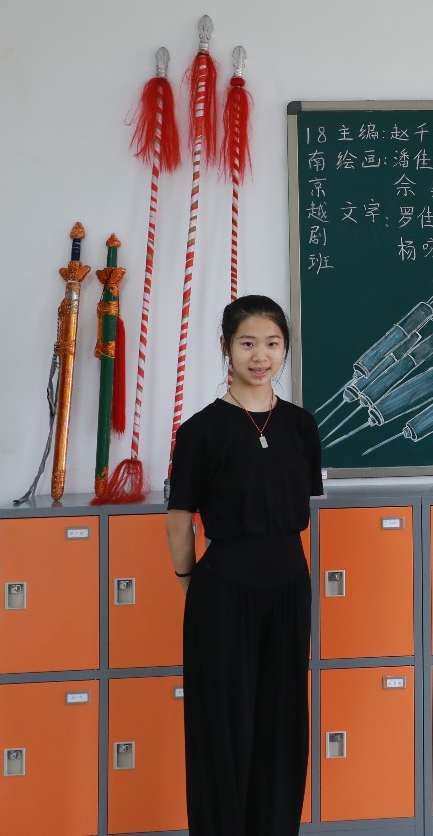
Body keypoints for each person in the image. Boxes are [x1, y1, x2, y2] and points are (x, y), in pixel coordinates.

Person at [166, 295, 323, 836]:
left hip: (289, 584)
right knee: (223, 725)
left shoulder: (301, 426)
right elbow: (180, 522)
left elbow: (296, 502)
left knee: (282, 721)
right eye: (248, 343)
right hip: (224, 587)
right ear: (226, 349)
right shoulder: (201, 430)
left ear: (285, 349)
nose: (261, 356)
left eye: (272, 344)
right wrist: (190, 583)